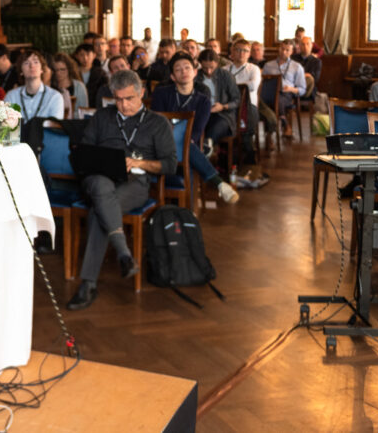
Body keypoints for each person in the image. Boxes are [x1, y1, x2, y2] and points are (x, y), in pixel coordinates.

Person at [65, 70, 178, 311]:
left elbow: (169, 165)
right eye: (117, 99)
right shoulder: (102, 117)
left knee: (101, 208)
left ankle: (89, 284)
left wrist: (139, 163)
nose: (123, 105)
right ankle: (123, 254)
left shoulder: (158, 123)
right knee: (100, 187)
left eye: (129, 99)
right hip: (98, 178)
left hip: (135, 184)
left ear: (141, 94)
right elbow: (83, 151)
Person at [151, 53, 240, 202]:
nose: (184, 72)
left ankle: (189, 211)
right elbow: (157, 123)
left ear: (195, 72)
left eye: (187, 68)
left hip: (186, 145)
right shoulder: (161, 94)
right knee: (184, 145)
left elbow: (198, 130)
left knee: (186, 147)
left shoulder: (203, 100)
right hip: (161, 143)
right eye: (178, 70)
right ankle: (218, 184)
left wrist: (186, 138)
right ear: (173, 77)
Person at [261, 39, 307, 137]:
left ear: (292, 52)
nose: (284, 52)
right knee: (264, 100)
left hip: (287, 95)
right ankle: (284, 123)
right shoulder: (268, 65)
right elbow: (263, 83)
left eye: (287, 50)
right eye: (282, 49)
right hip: (269, 94)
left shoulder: (297, 67)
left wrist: (290, 89)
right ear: (279, 49)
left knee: (278, 99)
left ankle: (269, 135)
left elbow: (302, 89)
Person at [4, 49, 64, 121]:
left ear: (42, 69)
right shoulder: (11, 96)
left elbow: (55, 126)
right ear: (21, 71)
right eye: (26, 63)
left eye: (36, 62)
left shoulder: (54, 97)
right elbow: (7, 126)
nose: (32, 66)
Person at [196, 49, 240, 143]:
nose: (208, 71)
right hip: (202, 113)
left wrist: (223, 106)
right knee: (195, 129)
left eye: (212, 67)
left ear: (217, 63)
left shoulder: (226, 75)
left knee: (214, 129)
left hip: (223, 115)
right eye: (204, 68)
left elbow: (237, 100)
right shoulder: (196, 76)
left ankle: (207, 146)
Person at [49, 52, 88, 117]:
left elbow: (84, 111)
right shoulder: (51, 86)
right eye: (56, 70)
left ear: (69, 69)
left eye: (62, 70)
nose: (59, 73)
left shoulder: (79, 87)